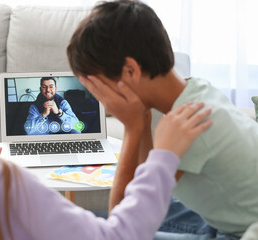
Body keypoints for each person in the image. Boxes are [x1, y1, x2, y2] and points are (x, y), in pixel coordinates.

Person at [0, 48, 211, 240]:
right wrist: (164, 156)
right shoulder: (5, 178)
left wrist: (62, 115)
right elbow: (30, 130)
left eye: (51, 86)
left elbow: (76, 128)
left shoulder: (63, 103)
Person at [66, 0, 258, 239]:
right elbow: (148, 175)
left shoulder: (196, 127)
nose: (99, 98)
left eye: (97, 87)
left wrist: (132, 127)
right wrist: (142, 120)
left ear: (130, 71)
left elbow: (122, 229)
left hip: (241, 233)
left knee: (99, 229)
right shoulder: (197, 92)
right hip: (224, 217)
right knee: (89, 221)